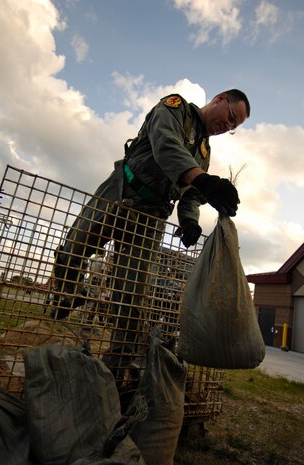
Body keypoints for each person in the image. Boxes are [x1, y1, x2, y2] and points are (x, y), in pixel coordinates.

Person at [51, 89, 250, 381]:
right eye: (231, 117)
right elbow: (166, 145)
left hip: (151, 218)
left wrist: (190, 221)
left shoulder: (204, 154)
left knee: (131, 297)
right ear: (220, 99)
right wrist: (203, 180)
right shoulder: (176, 109)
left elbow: (192, 196)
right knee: (73, 249)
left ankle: (115, 373)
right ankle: (67, 296)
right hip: (121, 191)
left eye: (234, 127)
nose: (228, 127)